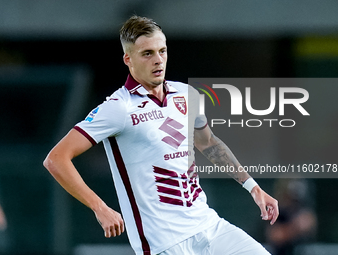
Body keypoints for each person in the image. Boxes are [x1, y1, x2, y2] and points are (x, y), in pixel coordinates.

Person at [43, 15, 278, 255]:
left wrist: (253, 188)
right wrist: (100, 208)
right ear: (128, 59)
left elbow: (208, 143)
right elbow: (56, 159)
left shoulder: (187, 94)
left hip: (209, 226)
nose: (158, 60)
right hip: (165, 243)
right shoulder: (118, 107)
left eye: (162, 51)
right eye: (147, 53)